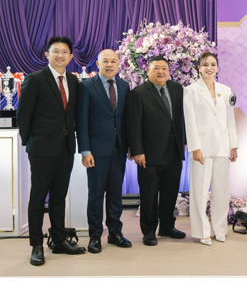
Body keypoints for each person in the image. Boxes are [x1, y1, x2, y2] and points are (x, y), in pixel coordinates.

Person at [16, 36, 86, 266]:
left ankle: (58, 240)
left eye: (64, 52)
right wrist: (31, 142)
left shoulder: (73, 80)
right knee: (38, 197)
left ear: (71, 56)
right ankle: (36, 245)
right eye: (56, 51)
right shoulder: (35, 79)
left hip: (65, 148)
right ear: (47, 54)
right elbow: (23, 116)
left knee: (59, 196)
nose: (60, 55)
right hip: (41, 149)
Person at [126, 55, 187, 246]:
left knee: (170, 193)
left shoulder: (177, 89)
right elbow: (133, 124)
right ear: (148, 71)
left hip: (174, 151)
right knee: (149, 195)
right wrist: (137, 151)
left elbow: (182, 118)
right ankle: (149, 231)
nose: (161, 72)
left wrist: (184, 142)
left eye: (164, 68)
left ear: (169, 71)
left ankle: (167, 227)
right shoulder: (138, 93)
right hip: (149, 154)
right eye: (156, 68)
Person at [76, 49, 132, 253]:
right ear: (97, 64)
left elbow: (126, 120)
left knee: (116, 194)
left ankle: (115, 232)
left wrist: (131, 147)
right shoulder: (86, 86)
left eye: (113, 61)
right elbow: (81, 121)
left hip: (119, 149)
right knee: (96, 194)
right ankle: (95, 235)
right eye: (105, 61)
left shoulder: (124, 86)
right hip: (96, 151)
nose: (109, 65)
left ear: (118, 64)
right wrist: (85, 151)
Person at [184, 52, 238, 245]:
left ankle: (220, 229)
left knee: (221, 191)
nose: (209, 68)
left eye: (213, 64)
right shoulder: (190, 91)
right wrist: (195, 148)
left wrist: (233, 145)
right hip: (202, 147)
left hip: (222, 146)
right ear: (199, 67)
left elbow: (230, 120)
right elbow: (190, 122)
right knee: (199, 192)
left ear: (217, 67)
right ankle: (202, 232)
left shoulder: (226, 90)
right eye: (205, 64)